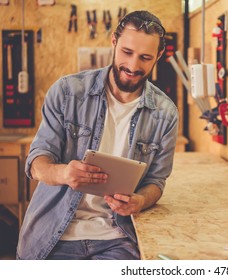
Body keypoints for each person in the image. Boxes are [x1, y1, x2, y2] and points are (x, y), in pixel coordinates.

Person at [16, 10, 178, 260]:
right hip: (52, 235)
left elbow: (156, 182)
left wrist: (139, 201)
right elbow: (37, 163)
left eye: (145, 58)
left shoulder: (165, 113)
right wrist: (64, 173)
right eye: (127, 52)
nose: (133, 66)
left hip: (117, 238)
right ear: (114, 42)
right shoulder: (68, 92)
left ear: (158, 56)